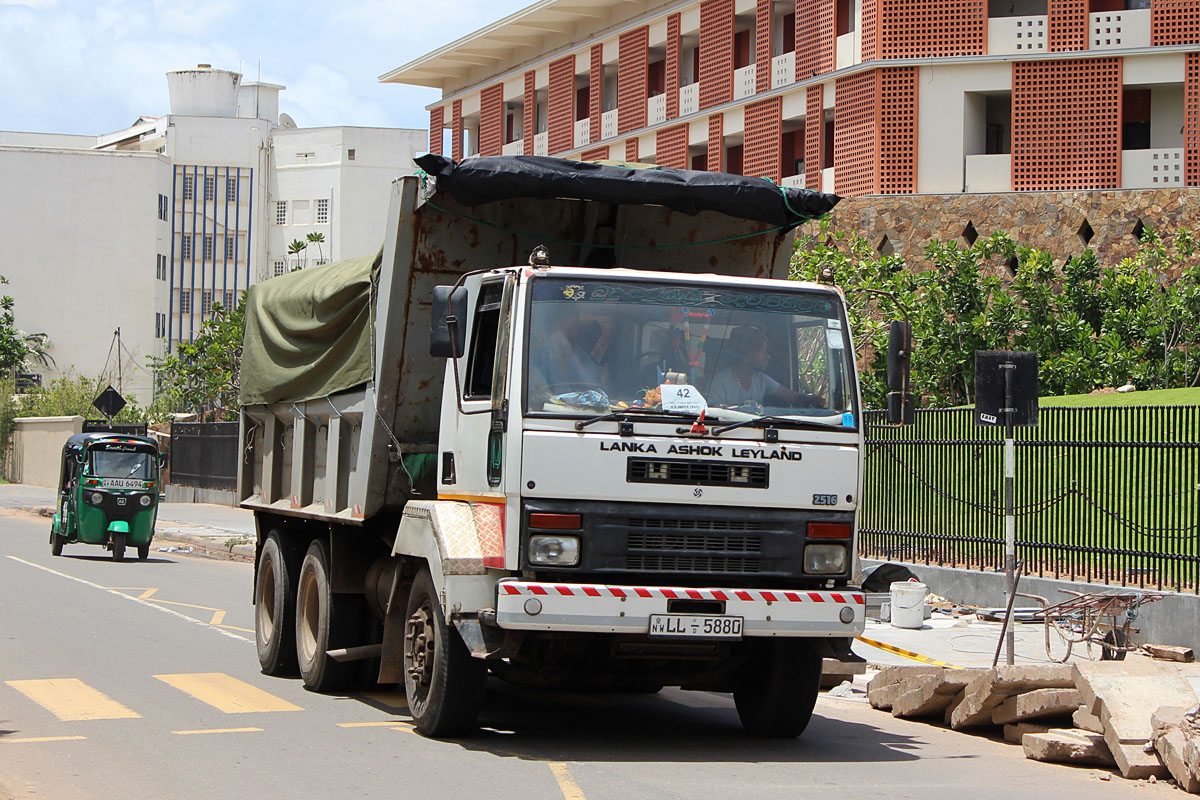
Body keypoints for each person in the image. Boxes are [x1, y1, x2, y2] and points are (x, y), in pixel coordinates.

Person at [706, 326, 822, 408]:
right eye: (764, 350)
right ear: (748, 351)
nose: (768, 356)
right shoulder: (720, 383)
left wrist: (811, 400)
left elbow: (794, 398)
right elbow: (712, 415)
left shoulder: (761, 379)